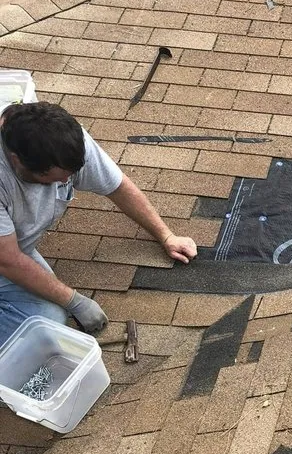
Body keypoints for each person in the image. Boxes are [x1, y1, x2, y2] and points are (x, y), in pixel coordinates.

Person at [0, 102, 197, 348]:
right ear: (17, 160)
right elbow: (7, 260)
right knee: (48, 322)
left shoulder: (59, 140)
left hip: (14, 251)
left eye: (69, 174)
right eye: (51, 179)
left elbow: (117, 186)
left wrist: (166, 235)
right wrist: (74, 301)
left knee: (46, 321)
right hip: (6, 258)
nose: (65, 181)